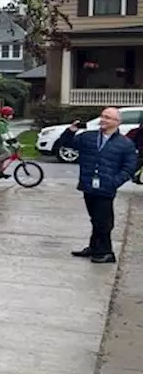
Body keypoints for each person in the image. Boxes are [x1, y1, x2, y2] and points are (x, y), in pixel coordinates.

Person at [53, 107, 136, 263]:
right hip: (88, 185)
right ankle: (94, 247)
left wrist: (115, 182)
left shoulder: (125, 144)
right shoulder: (88, 137)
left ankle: (106, 252)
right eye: (103, 116)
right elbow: (64, 144)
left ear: (117, 122)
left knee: (103, 221)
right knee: (95, 219)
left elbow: (130, 166)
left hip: (106, 188)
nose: (104, 120)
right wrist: (70, 131)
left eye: (108, 118)